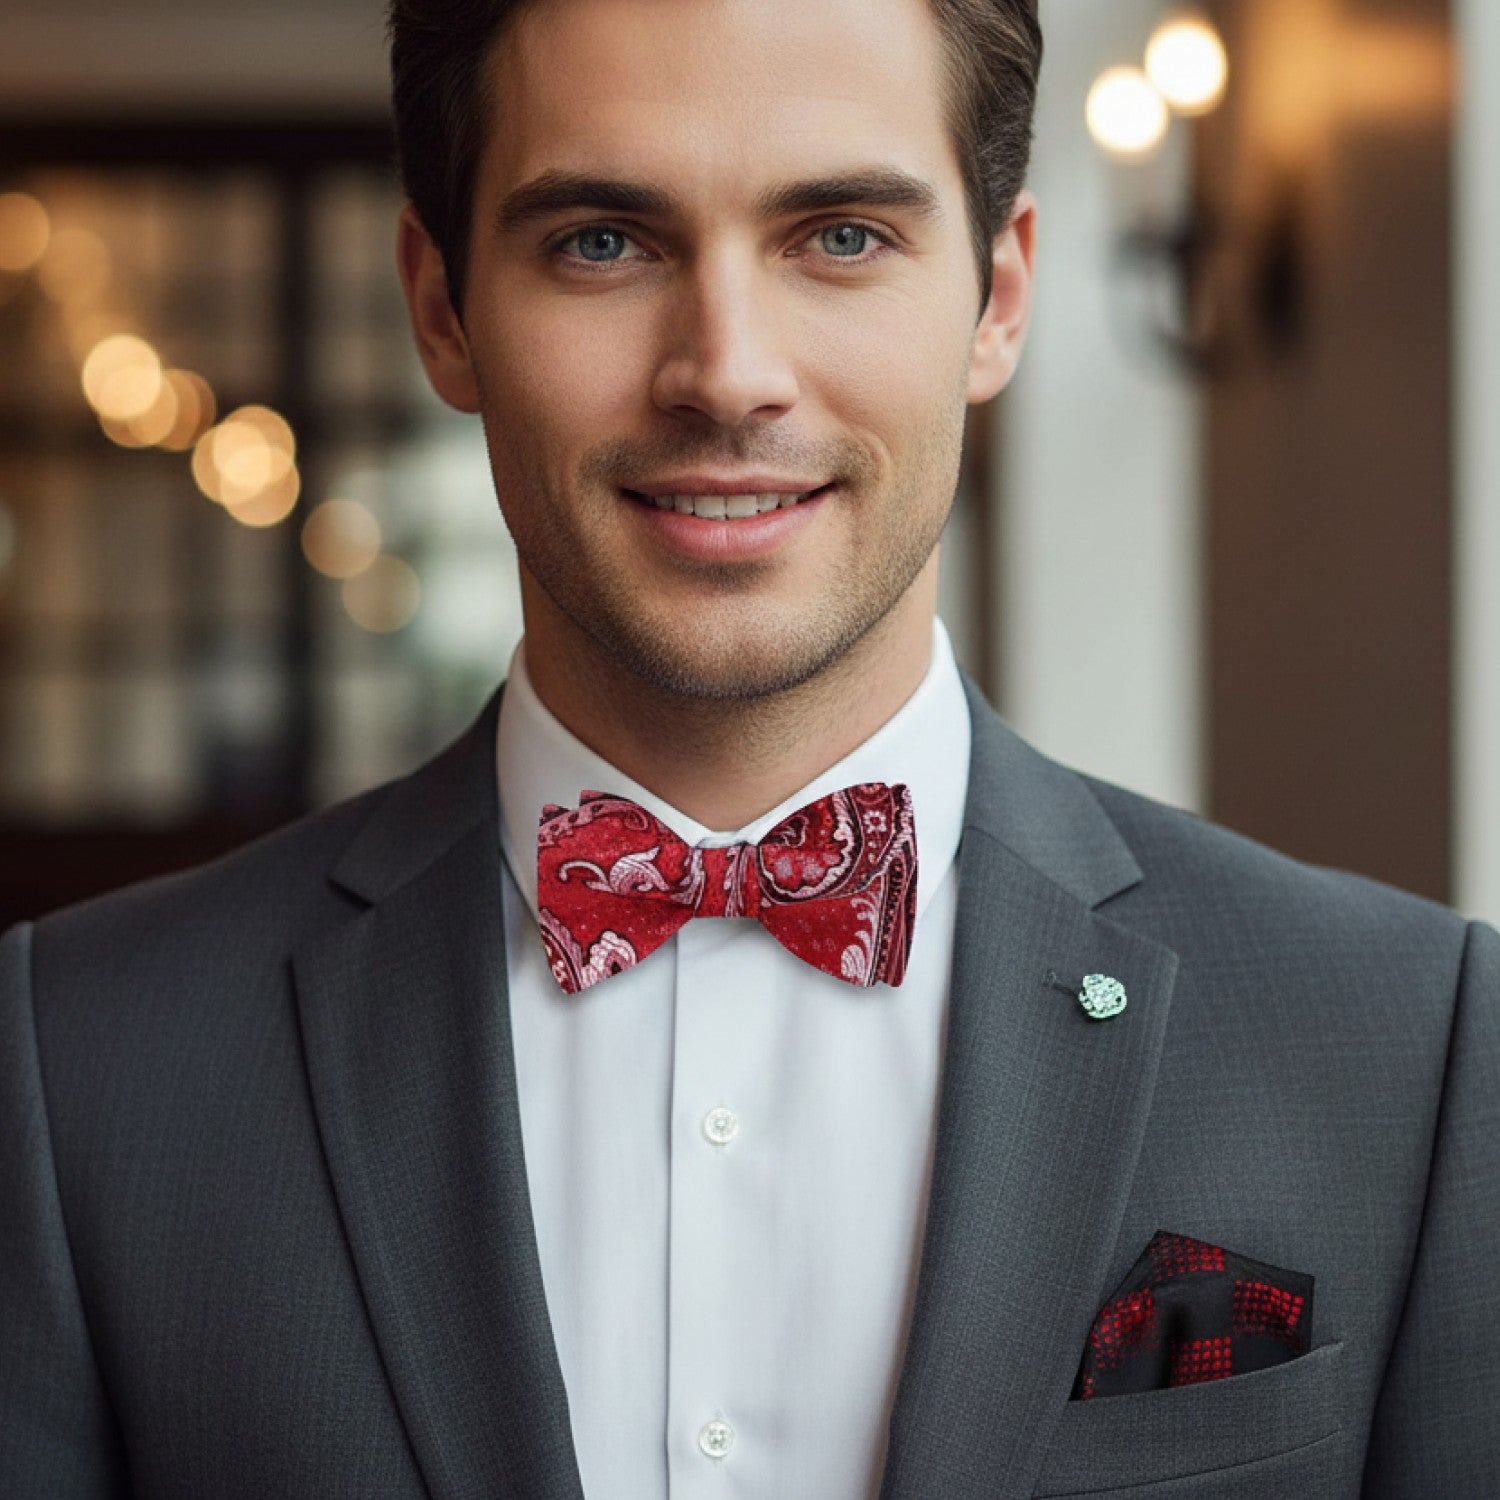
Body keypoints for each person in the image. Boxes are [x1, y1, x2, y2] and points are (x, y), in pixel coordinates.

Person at [1, 0, 1495, 1494]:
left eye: (841, 235)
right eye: (603, 240)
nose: (725, 372)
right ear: (443, 308)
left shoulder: (1415, 1049)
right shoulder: (80, 1069)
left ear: (998, 297)